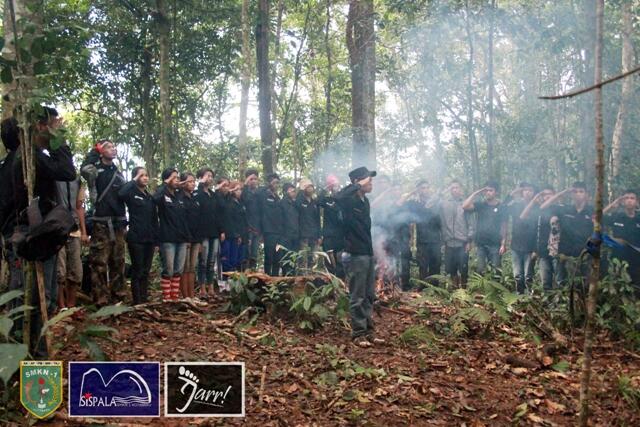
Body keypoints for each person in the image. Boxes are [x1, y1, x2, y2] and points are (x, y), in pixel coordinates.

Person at [0, 109, 76, 357]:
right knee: (32, 303)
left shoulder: (24, 158)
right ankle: (33, 362)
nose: (53, 129)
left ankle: (36, 357)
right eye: (48, 126)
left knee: (41, 301)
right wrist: (59, 140)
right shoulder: (27, 156)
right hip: (29, 238)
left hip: (33, 237)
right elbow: (67, 171)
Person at [336, 166, 384, 348]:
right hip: (354, 253)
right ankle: (358, 333)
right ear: (357, 182)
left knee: (369, 295)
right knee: (357, 296)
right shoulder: (348, 201)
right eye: (367, 180)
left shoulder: (366, 202)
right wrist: (357, 185)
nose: (371, 183)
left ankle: (369, 331)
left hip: (367, 253)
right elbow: (338, 197)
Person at [81, 139, 127, 305]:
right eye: (108, 147)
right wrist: (96, 150)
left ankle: (119, 297)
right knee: (99, 263)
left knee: (118, 261)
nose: (113, 149)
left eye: (114, 146)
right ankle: (100, 299)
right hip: (101, 223)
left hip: (118, 223)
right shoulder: (95, 170)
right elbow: (84, 168)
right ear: (101, 151)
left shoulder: (118, 172)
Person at [539, 181, 594, 291]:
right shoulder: (564, 209)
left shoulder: (592, 211)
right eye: (575, 192)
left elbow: (597, 231)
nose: (578, 194)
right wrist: (562, 193)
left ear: (586, 195)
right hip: (565, 254)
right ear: (571, 195)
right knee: (564, 284)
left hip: (585, 254)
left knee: (584, 285)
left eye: (581, 191)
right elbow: (543, 207)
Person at [118, 167, 158, 304]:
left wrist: (156, 239)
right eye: (142, 175)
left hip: (149, 238)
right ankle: (137, 301)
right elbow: (121, 194)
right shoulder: (131, 192)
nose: (145, 178)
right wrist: (133, 180)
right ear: (136, 177)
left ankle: (144, 299)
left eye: (146, 175)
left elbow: (154, 218)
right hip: (136, 237)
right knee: (138, 270)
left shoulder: (149, 196)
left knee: (146, 271)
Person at [153, 168, 191, 302]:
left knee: (178, 270)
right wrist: (165, 184)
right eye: (174, 178)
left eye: (177, 178)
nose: (177, 180)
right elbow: (155, 199)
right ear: (167, 179)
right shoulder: (162, 194)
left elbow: (185, 218)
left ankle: (174, 296)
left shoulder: (179, 195)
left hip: (181, 238)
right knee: (168, 269)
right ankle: (166, 297)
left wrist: (187, 239)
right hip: (167, 238)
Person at [55, 177, 88, 310]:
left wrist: (84, 231)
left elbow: (79, 207)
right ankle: (61, 306)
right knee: (59, 271)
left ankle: (71, 305)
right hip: (57, 228)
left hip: (74, 229)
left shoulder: (77, 181)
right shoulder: (54, 178)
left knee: (76, 270)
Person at [462, 181, 507, 274]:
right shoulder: (481, 205)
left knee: (496, 271)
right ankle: (483, 289)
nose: (488, 192)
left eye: (491, 190)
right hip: (481, 243)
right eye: (486, 190)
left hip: (495, 243)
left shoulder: (502, 207)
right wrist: (476, 193)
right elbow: (465, 206)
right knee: (480, 271)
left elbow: (504, 226)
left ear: (496, 192)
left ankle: (494, 288)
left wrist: (503, 244)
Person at [405, 180, 442, 285]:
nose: (425, 190)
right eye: (422, 188)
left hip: (435, 239)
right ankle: (423, 287)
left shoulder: (436, 203)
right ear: (418, 190)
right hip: (422, 240)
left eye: (427, 187)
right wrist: (413, 192)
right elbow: (403, 204)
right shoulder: (415, 204)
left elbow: (441, 221)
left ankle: (434, 287)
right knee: (423, 265)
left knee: (436, 264)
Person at [604, 189, 640, 294]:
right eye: (626, 198)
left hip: (636, 260)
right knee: (618, 289)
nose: (629, 201)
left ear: (637, 201)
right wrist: (612, 206)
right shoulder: (616, 216)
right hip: (617, 260)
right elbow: (596, 217)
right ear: (623, 201)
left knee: (636, 288)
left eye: (632, 198)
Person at [520, 185, 556, 290]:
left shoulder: (561, 209)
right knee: (545, 282)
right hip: (543, 252)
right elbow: (523, 218)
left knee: (560, 281)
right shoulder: (539, 211)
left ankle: (560, 305)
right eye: (544, 195)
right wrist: (535, 250)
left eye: (549, 194)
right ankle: (548, 304)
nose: (547, 197)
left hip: (559, 252)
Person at [439, 180, 472, 287]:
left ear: (460, 189)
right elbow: (442, 223)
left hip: (462, 242)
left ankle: (464, 289)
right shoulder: (444, 203)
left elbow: (471, 223)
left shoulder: (466, 203)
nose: (454, 190)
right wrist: (443, 241)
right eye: (452, 188)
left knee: (463, 267)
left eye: (457, 187)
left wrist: (469, 241)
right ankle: (454, 288)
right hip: (449, 241)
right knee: (451, 268)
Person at [505, 182, 536, 294]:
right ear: (522, 192)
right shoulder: (516, 205)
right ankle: (519, 295)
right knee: (518, 275)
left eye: (530, 190)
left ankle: (529, 297)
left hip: (530, 246)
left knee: (528, 275)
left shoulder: (537, 207)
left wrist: (536, 249)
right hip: (516, 245)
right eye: (525, 190)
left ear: (534, 193)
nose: (527, 192)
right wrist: (514, 193)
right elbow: (504, 207)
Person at [193, 168, 219, 299]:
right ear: (201, 177)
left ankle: (211, 287)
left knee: (211, 261)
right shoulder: (197, 193)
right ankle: (202, 288)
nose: (210, 178)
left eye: (211, 176)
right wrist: (200, 184)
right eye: (207, 175)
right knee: (202, 261)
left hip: (214, 233)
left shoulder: (213, 195)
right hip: (202, 233)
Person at [180, 172, 201, 300]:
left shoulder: (195, 198)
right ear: (183, 183)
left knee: (192, 268)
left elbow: (198, 219)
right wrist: (186, 237)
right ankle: (185, 295)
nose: (192, 184)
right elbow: (182, 220)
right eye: (189, 181)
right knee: (185, 268)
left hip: (196, 238)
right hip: (185, 237)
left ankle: (192, 295)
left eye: (193, 181)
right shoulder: (180, 198)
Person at [318, 174, 345, 277]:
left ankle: (341, 283)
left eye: (337, 185)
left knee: (340, 261)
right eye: (333, 186)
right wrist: (326, 188)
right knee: (329, 261)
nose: (336, 187)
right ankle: (330, 281)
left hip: (340, 236)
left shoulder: (343, 199)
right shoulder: (327, 200)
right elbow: (318, 201)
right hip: (328, 236)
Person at [220, 181, 248, 272]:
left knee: (237, 260)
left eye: (240, 189)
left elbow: (242, 221)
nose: (239, 191)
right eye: (237, 190)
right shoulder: (228, 202)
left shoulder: (241, 203)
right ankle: (224, 281)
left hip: (240, 234)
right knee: (227, 259)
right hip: (229, 234)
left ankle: (235, 282)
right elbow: (229, 220)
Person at [258, 173, 282, 276]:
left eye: (278, 183)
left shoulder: (277, 198)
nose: (276, 185)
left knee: (277, 256)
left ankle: (276, 279)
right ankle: (267, 278)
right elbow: (259, 192)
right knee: (269, 256)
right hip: (268, 231)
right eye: (274, 183)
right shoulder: (264, 195)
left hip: (278, 232)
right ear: (269, 183)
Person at [296, 178, 321, 270]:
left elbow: (317, 219)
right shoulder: (300, 200)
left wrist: (319, 235)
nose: (311, 189)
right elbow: (297, 205)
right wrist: (301, 190)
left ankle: (312, 275)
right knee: (303, 257)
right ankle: (303, 276)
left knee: (313, 258)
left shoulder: (314, 202)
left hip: (314, 235)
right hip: (303, 234)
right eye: (308, 187)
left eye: (311, 187)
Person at [241, 168, 261, 270]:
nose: (253, 181)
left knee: (254, 255)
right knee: (246, 255)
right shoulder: (244, 191)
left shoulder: (260, 193)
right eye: (251, 179)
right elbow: (242, 199)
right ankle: (244, 277)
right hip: (247, 228)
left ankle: (254, 277)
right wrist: (245, 184)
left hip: (257, 229)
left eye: (255, 179)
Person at [279, 182, 300, 276]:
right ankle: (286, 278)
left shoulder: (295, 203)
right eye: (291, 190)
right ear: (285, 192)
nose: (293, 192)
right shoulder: (282, 203)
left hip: (295, 234)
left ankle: (293, 277)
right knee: (286, 258)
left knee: (294, 258)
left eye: (294, 191)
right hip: (285, 235)